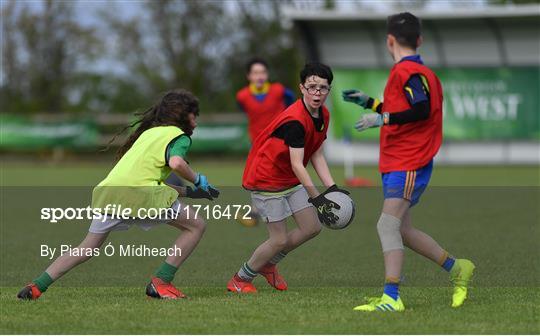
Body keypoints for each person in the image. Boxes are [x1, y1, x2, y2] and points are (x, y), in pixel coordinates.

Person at [17, 89, 219, 300]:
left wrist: (190, 192)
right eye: (193, 114)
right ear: (182, 115)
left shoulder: (148, 134)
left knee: (87, 247)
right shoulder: (180, 137)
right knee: (195, 226)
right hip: (138, 195)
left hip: (110, 193)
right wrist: (197, 180)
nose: (195, 120)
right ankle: (161, 282)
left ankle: (37, 286)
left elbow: (150, 182)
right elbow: (176, 163)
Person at [342, 12, 475, 312]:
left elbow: (421, 109)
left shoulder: (408, 72)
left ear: (390, 40)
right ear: (420, 40)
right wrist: (370, 103)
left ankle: (392, 297)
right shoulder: (411, 72)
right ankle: (457, 268)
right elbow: (405, 109)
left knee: (386, 225)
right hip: (396, 161)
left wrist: (381, 118)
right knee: (402, 230)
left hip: (408, 161)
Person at [227, 62, 349, 293]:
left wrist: (332, 188)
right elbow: (297, 164)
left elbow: (316, 153)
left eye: (323, 88)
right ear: (302, 88)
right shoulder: (295, 120)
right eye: (312, 87)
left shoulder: (324, 114)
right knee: (279, 240)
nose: (317, 93)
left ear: (328, 91)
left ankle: (268, 265)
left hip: (289, 178)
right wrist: (318, 198)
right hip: (266, 180)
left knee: (312, 227)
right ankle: (240, 279)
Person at [236, 58, 296, 227]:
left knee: (284, 176)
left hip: (279, 142)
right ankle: (255, 212)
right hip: (257, 145)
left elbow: (292, 103)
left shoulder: (279, 91)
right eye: (255, 73)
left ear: (267, 74)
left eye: (262, 72)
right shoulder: (242, 96)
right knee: (256, 178)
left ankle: (292, 208)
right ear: (249, 76)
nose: (259, 76)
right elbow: (243, 108)